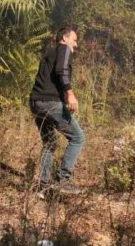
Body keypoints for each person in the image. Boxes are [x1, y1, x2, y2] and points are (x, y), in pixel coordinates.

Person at [29, 26, 85, 197]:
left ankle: (43, 187)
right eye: (74, 40)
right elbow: (62, 70)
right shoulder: (64, 50)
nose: (75, 45)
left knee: (50, 143)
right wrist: (70, 94)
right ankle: (64, 180)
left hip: (35, 102)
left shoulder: (49, 53)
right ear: (65, 38)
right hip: (49, 102)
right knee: (77, 138)